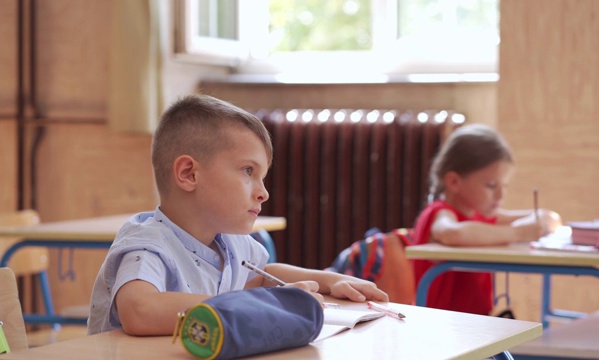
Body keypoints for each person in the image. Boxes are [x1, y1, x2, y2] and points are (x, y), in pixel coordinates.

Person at [88, 94, 388, 336]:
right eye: (248, 171)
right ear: (189, 174)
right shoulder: (149, 245)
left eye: (263, 177)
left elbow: (261, 278)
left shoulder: (227, 242)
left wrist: (328, 280)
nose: (263, 193)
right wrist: (256, 305)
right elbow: (140, 311)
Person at [412, 123, 561, 316]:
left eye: (505, 186)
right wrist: (518, 233)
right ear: (454, 182)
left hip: (476, 323)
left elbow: (551, 217)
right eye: (491, 185)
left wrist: (542, 220)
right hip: (442, 327)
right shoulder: (440, 213)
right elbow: (452, 233)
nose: (500, 195)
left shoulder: (480, 215)